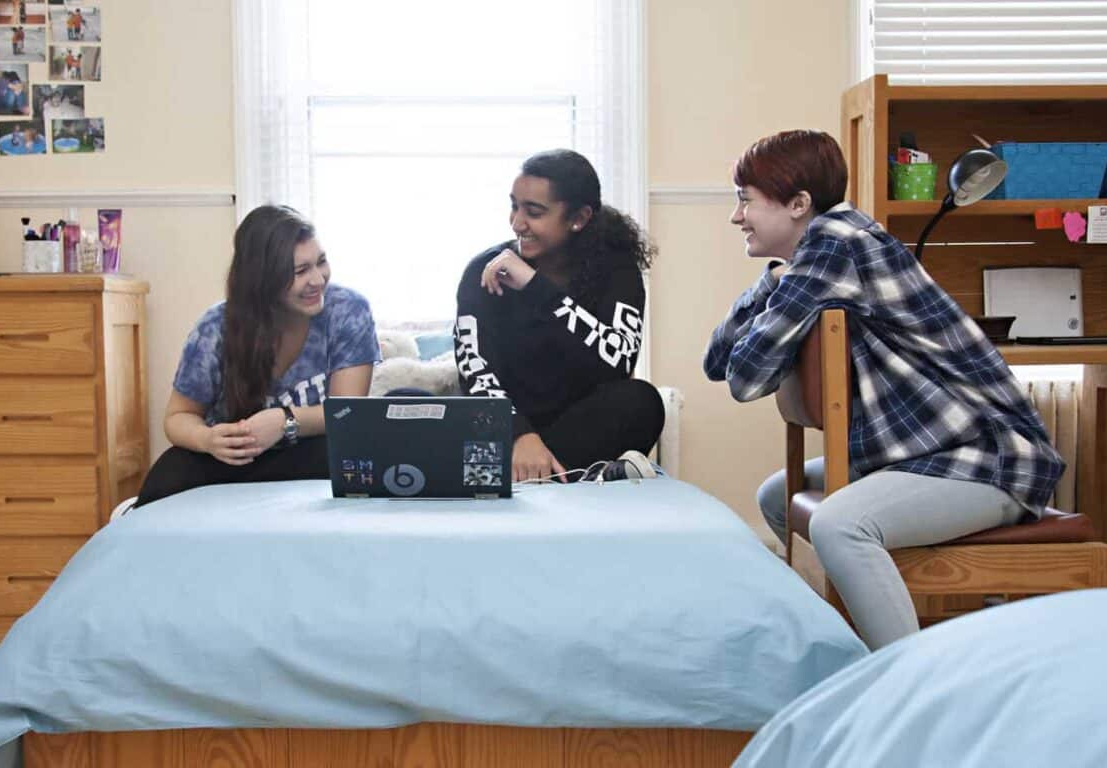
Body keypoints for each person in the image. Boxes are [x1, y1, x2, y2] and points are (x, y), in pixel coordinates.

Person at [702, 129, 1064, 651]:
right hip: (920, 450)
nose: (737, 216)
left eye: (746, 201)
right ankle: (846, 646)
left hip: (990, 458)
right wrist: (771, 282)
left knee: (839, 525)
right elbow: (718, 362)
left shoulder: (837, 247)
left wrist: (778, 289)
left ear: (799, 204)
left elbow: (745, 379)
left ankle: (902, 686)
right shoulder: (813, 257)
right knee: (776, 498)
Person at [134, 205, 380, 506]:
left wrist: (284, 421)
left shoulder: (348, 311)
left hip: (313, 451)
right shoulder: (215, 329)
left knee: (353, 452)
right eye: (301, 271)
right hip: (236, 462)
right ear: (263, 280)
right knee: (168, 473)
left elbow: (347, 413)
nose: (318, 280)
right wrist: (208, 440)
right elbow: (178, 417)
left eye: (321, 262)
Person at [454, 149, 664, 484]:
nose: (517, 222)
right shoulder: (484, 270)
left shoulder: (616, 271)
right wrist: (520, 434)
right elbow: (476, 373)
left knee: (640, 401)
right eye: (514, 206)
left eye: (533, 212)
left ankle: (535, 478)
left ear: (578, 218)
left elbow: (618, 361)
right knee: (404, 405)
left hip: (577, 426)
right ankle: (578, 477)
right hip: (503, 426)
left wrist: (536, 288)